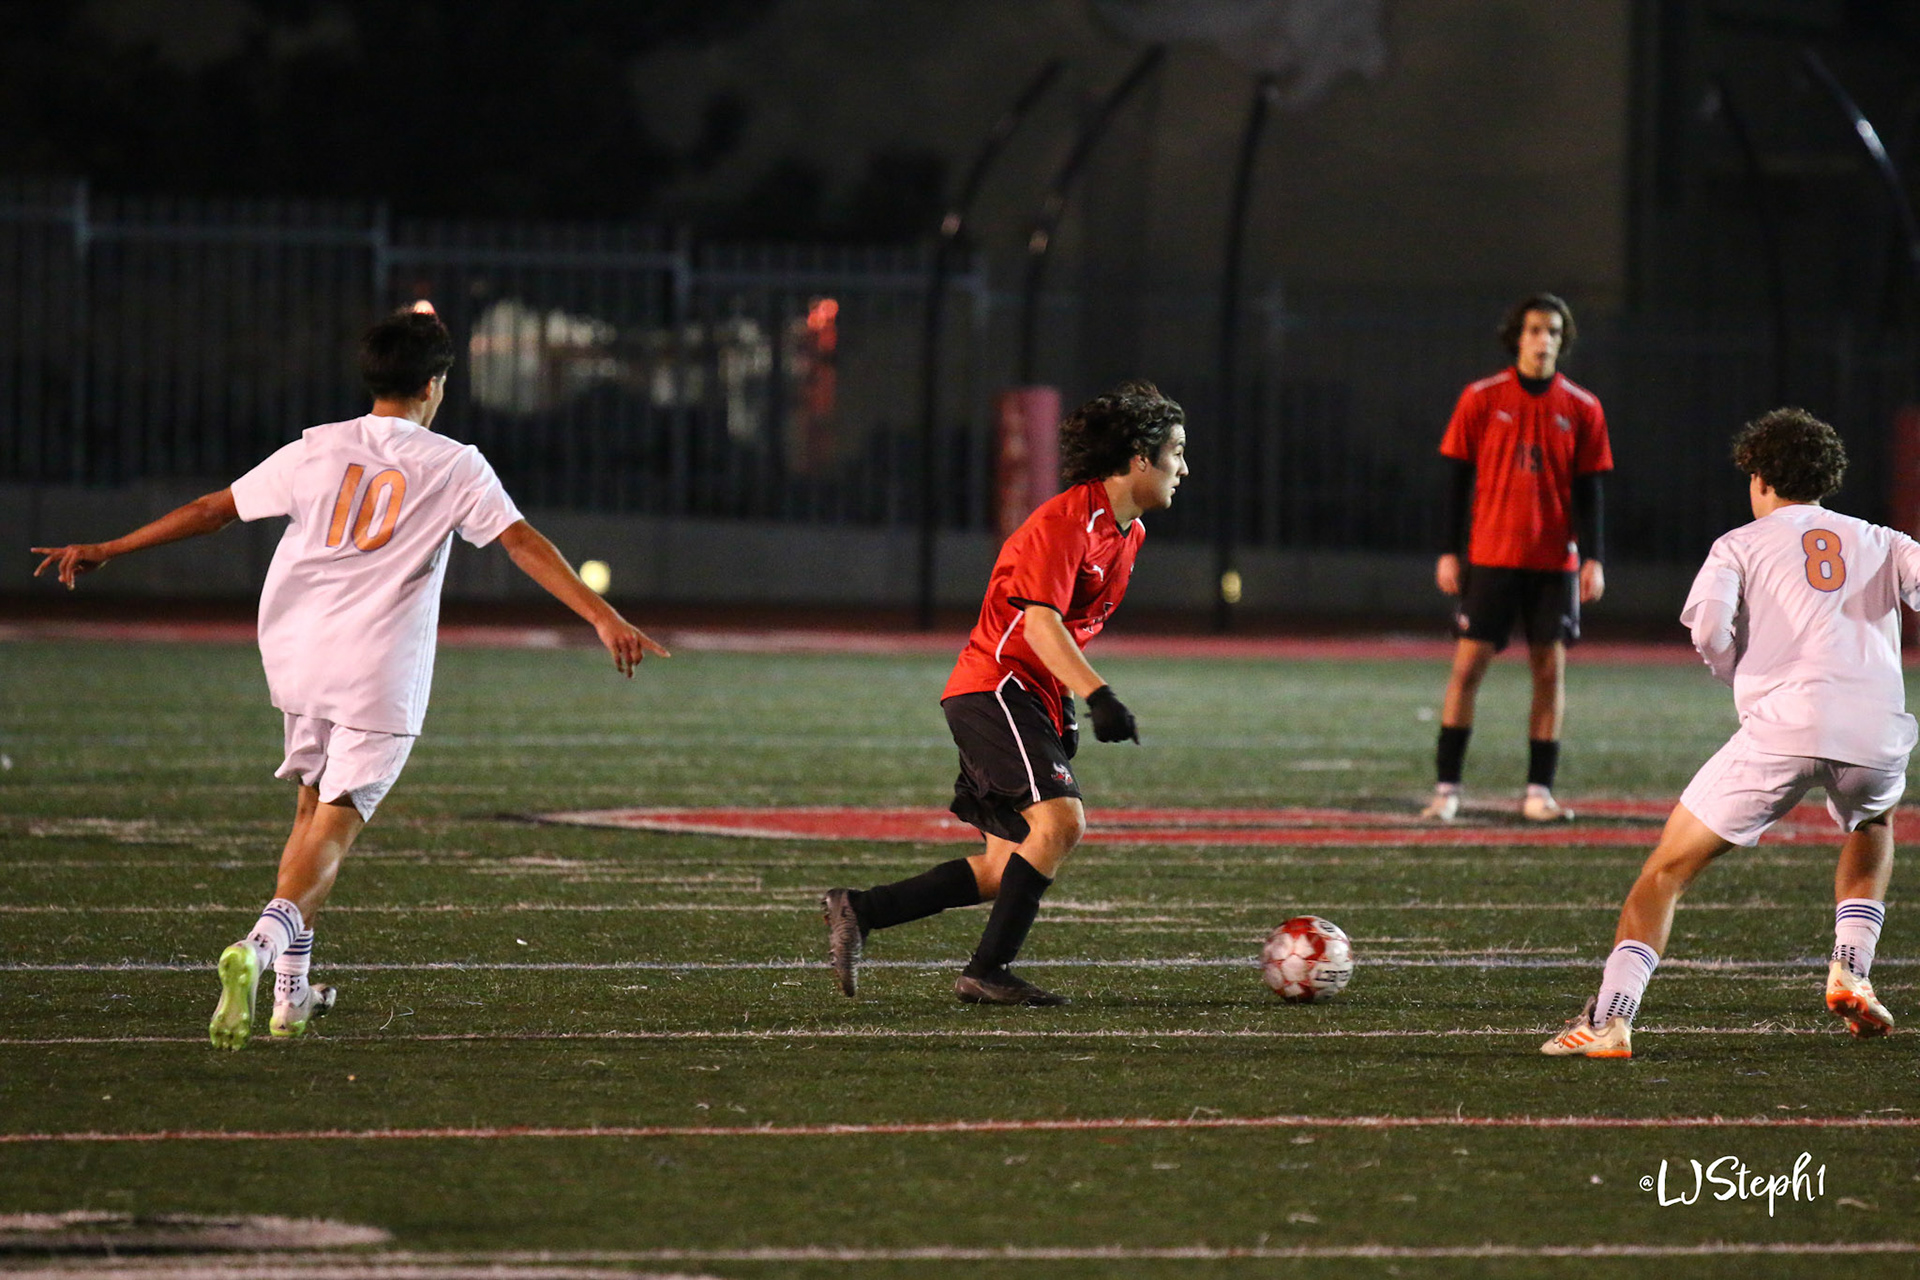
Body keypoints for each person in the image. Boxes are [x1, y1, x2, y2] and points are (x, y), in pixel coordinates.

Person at [31, 305, 669, 1050]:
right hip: (375, 671)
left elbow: (212, 510)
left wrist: (110, 547)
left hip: (299, 656)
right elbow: (520, 541)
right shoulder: (454, 463)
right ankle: (258, 947)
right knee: (333, 828)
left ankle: (292, 994)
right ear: (432, 386)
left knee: (309, 814)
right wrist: (602, 617)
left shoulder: (319, 446)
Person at [1543, 408, 1906, 1059]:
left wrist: (1737, 671)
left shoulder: (1739, 544)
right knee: (1873, 821)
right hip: (1876, 732)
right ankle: (1851, 968)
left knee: (1665, 873)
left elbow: (1710, 630)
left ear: (1760, 477)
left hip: (1782, 728)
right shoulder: (1882, 539)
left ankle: (1611, 1021)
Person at [820, 381, 1188, 1006]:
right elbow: (1039, 623)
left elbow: (1066, 629)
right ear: (1138, 459)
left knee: (1002, 866)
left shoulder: (1130, 535)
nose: (1183, 467)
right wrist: (1098, 693)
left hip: (1028, 695)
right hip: (998, 686)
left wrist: (1067, 703)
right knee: (1061, 822)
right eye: (1176, 452)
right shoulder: (1066, 521)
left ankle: (861, 909)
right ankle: (987, 971)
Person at [1422, 293, 1613, 824]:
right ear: (1517, 337)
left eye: (1553, 331)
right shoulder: (1482, 397)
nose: (1543, 340)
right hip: (1492, 556)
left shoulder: (1583, 407)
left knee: (1549, 673)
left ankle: (1538, 792)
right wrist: (1449, 551)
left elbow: (1590, 490)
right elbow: (1456, 481)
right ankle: (1446, 789)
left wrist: (1594, 558)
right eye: (1534, 330)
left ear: (1562, 341)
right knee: (1467, 670)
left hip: (1555, 564)